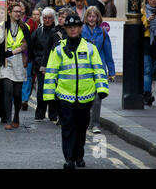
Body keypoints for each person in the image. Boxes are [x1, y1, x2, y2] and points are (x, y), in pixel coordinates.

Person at [44, 14, 109, 169]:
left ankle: (79, 156)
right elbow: (51, 73)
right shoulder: (58, 49)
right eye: (70, 27)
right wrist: (48, 95)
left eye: (76, 27)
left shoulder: (90, 47)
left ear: (80, 28)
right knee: (67, 128)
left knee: (81, 129)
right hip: (64, 96)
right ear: (66, 29)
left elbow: (98, 69)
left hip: (85, 97)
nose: (73, 29)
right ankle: (69, 159)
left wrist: (102, 89)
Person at [82, 6, 115, 134]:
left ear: (97, 18)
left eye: (94, 16)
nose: (91, 18)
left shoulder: (103, 32)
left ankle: (95, 124)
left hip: (99, 69)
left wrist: (111, 72)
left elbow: (108, 53)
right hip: (84, 68)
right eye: (89, 16)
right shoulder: (81, 31)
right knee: (85, 98)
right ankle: (85, 122)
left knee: (97, 98)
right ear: (86, 17)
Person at [0, 3, 28, 130]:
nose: (18, 14)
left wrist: (14, 51)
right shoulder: (3, 26)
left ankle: (16, 116)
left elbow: (26, 45)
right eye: (15, 11)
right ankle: (8, 119)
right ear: (9, 12)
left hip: (18, 59)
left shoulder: (25, 27)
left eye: (20, 11)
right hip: (5, 60)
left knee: (17, 94)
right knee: (8, 90)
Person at [30, 7, 58, 122]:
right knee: (41, 92)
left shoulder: (57, 32)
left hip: (54, 66)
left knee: (53, 92)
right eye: (45, 18)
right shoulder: (38, 31)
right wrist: (36, 62)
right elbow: (32, 48)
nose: (47, 20)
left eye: (49, 18)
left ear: (53, 19)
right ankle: (40, 113)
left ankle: (53, 114)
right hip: (40, 66)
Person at [20, 1, 38, 110]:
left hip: (28, 53)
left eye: (22, 7)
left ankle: (25, 99)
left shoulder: (31, 22)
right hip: (15, 53)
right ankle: (17, 98)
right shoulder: (12, 21)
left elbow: (35, 38)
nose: (20, 9)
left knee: (27, 77)